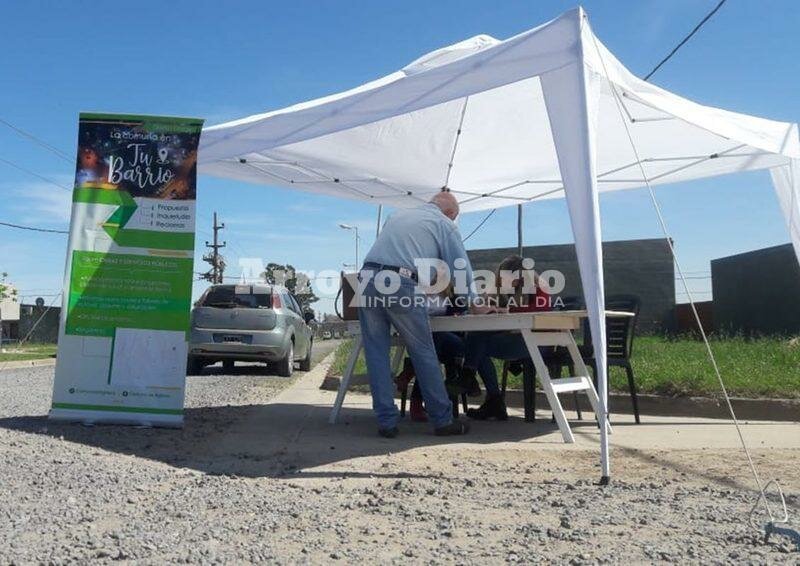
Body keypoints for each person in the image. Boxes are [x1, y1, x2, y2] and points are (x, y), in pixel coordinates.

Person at [357, 191, 485, 437]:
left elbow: (398, 250)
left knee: (376, 352)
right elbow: (460, 266)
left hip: (367, 277)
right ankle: (443, 420)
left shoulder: (397, 216)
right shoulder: (444, 224)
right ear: (450, 213)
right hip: (400, 281)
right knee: (423, 351)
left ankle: (386, 422)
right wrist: (474, 303)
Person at [460, 254, 551, 420]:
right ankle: (486, 393)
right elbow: (481, 305)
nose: (505, 281)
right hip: (509, 339)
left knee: (477, 343)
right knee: (476, 340)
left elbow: (538, 312)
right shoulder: (498, 288)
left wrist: (506, 311)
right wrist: (482, 308)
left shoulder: (539, 287)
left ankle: (472, 380)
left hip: (535, 342)